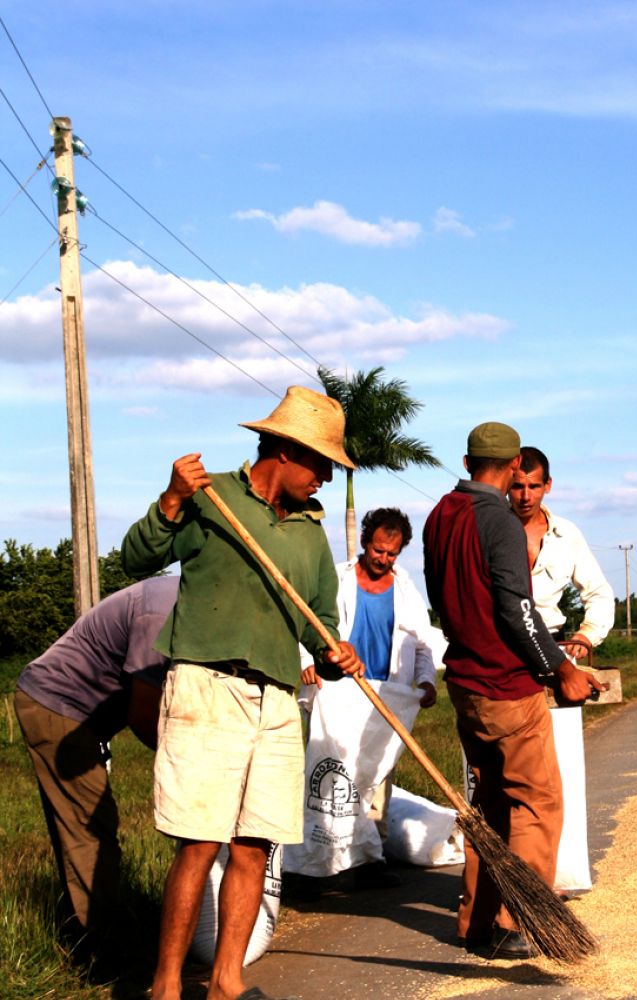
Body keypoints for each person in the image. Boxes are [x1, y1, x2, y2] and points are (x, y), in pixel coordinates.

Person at [121, 385, 362, 1000]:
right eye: (321, 465)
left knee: (256, 845)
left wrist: (337, 657)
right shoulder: (213, 499)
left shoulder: (311, 537)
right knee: (200, 842)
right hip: (207, 687)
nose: (325, 482)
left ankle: (228, 982)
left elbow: (321, 627)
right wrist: (173, 498)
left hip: (278, 702)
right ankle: (167, 986)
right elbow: (136, 556)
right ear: (282, 450)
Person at [423, 421, 602, 960]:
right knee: (537, 801)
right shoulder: (497, 520)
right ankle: (517, 922)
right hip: (506, 683)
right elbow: (518, 611)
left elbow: (440, 593)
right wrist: (559, 669)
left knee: (490, 806)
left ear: (466, 460)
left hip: (464, 680)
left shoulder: (440, 515)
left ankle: (475, 923)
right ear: (516, 463)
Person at [14, 575, 179, 966]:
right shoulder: (163, 611)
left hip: (75, 710)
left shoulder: (186, 601)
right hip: (57, 705)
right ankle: (103, 956)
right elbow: (142, 714)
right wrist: (185, 763)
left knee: (82, 828)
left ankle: (88, 935)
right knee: (90, 828)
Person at [299, 506, 439, 890]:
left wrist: (426, 682)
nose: (384, 559)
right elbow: (310, 625)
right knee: (328, 772)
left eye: (392, 553)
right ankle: (316, 863)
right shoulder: (338, 580)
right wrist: (306, 664)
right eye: (378, 550)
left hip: (386, 694)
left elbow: (422, 644)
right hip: (339, 691)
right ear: (364, 542)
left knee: (375, 777)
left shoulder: (405, 590)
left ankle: (368, 861)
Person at [507, 446, 614, 895]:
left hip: (555, 653)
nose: (526, 494)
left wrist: (586, 638)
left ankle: (557, 878)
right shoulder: (492, 529)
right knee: (504, 772)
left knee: (560, 770)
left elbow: (600, 593)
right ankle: (505, 881)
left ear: (547, 486)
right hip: (504, 655)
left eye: (534, 485)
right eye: (517, 485)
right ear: (507, 485)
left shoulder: (566, 534)